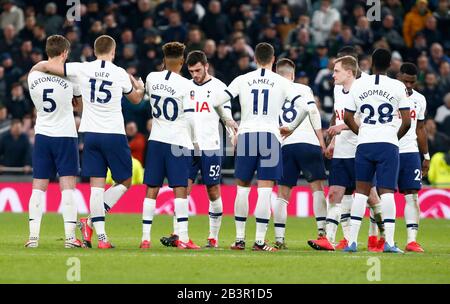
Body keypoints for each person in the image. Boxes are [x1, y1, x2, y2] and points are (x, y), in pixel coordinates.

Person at [31, 35, 145, 249]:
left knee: (96, 186)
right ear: (113, 51)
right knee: (125, 181)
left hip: (90, 134)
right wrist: (140, 87)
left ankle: (101, 238)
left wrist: (37, 66)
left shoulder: (81, 68)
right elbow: (136, 100)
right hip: (113, 133)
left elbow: (51, 66)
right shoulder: (119, 73)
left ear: (94, 51)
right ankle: (91, 221)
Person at [213, 43, 310, 252]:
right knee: (265, 190)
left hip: (247, 134)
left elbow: (217, 101)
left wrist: (229, 123)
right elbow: (304, 107)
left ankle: (239, 240)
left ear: (255, 59)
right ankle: (259, 241)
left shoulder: (243, 79)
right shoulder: (280, 81)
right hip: (269, 135)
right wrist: (291, 128)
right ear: (273, 59)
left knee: (243, 188)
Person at [310, 47, 384, 253]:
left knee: (371, 198)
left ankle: (385, 235)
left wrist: (341, 127)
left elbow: (366, 118)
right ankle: (328, 239)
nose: (332, 75)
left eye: (336, 71)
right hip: (342, 151)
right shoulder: (336, 90)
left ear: (349, 72)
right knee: (334, 194)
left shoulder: (365, 89)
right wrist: (333, 142)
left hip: (360, 151)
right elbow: (339, 115)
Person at [160, 50, 237, 249]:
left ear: (206, 66)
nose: (194, 75)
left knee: (213, 190)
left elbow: (226, 115)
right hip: (187, 147)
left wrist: (232, 132)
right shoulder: (185, 87)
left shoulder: (220, 87)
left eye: (197, 70)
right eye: (191, 71)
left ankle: (213, 237)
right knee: (182, 189)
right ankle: (177, 233)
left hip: (210, 147)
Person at [343, 48, 411, 253]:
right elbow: (407, 122)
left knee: (361, 192)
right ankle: (389, 242)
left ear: (371, 63)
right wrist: (393, 138)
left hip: (364, 144)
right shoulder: (398, 86)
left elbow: (347, 117)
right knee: (387, 192)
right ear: (391, 65)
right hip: (387, 144)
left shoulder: (358, 84)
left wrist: (361, 131)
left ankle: (352, 242)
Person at [140, 42, 200, 250]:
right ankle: (182, 237)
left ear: (164, 60)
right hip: (178, 142)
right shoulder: (187, 85)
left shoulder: (151, 78)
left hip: (156, 139)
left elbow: (144, 96)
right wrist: (195, 142)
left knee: (152, 188)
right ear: (182, 62)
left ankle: (145, 238)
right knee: (180, 188)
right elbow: (192, 119)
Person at [25, 35, 82, 248]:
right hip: (65, 136)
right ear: (65, 53)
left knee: (38, 186)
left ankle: (33, 237)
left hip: (42, 136)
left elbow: (36, 68)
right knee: (67, 187)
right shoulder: (72, 79)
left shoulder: (33, 77)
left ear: (47, 52)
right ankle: (69, 239)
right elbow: (79, 106)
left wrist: (46, 64)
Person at [273, 58, 326, 250]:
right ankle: (322, 232)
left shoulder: (272, 92)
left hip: (285, 144)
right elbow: (312, 112)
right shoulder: (303, 89)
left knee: (283, 193)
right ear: (293, 75)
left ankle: (279, 239)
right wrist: (321, 139)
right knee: (317, 188)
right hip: (308, 143)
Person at [396, 62, 429, 252]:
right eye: (406, 81)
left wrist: (426, 156)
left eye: (412, 82)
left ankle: (411, 240)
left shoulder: (420, 99)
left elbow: (420, 128)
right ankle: (378, 238)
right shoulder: (388, 93)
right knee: (383, 196)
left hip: (409, 152)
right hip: (389, 149)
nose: (409, 85)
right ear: (399, 76)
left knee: (412, 196)